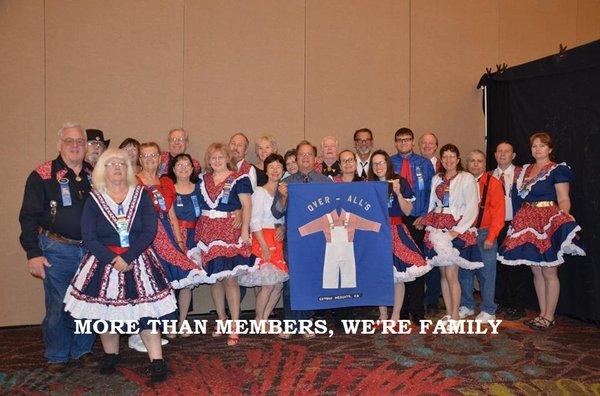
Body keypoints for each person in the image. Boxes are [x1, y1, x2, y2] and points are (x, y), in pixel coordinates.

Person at [63, 148, 177, 382]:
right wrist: (112, 259)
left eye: (121, 164)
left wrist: (129, 256)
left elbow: (149, 230)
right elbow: (89, 235)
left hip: (138, 259)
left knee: (148, 314)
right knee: (106, 312)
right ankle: (111, 355)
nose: (117, 168)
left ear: (128, 169)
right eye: (111, 164)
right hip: (104, 262)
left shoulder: (140, 194)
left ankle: (157, 360)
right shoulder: (95, 199)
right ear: (102, 170)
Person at [19, 122, 96, 372]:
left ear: (86, 146)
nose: (75, 146)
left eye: (80, 142)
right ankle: (57, 355)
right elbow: (28, 216)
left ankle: (83, 349)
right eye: (69, 141)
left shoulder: (94, 174)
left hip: (90, 252)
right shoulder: (42, 175)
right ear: (58, 145)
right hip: (55, 249)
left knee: (87, 303)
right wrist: (33, 253)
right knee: (58, 304)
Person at [498, 132, 585, 330]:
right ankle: (542, 314)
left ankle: (549, 315)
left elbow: (563, 198)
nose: (537, 149)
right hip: (527, 219)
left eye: (542, 146)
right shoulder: (526, 170)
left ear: (550, 149)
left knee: (549, 270)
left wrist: (563, 216)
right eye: (534, 146)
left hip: (546, 219)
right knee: (536, 270)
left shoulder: (557, 170)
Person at [187, 143, 255, 346]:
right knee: (214, 279)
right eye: (212, 158)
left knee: (230, 279)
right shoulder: (202, 180)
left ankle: (235, 323)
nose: (216, 161)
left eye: (220, 157)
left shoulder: (238, 179)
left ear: (227, 158)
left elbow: (247, 205)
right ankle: (221, 318)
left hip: (229, 231)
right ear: (208, 160)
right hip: (207, 232)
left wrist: (244, 230)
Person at [136, 142, 203, 346]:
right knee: (151, 281)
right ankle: (148, 330)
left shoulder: (165, 181)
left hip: (168, 232)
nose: (150, 159)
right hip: (147, 233)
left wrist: (180, 241)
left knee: (177, 276)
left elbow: (171, 213)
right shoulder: (135, 180)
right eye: (145, 156)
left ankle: (171, 325)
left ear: (159, 158)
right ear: (140, 159)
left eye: (153, 155)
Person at [271, 140, 332, 339]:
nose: (305, 158)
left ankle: (306, 323)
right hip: (294, 240)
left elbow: (332, 210)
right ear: (296, 158)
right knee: (292, 282)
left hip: (317, 239)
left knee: (312, 280)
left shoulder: (325, 182)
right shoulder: (287, 183)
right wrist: (282, 198)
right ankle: (290, 323)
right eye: (301, 155)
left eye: (309, 155)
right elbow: (276, 212)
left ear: (315, 159)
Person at [418, 144, 482, 327]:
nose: (448, 160)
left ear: (458, 159)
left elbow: (472, 207)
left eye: (451, 157)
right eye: (444, 157)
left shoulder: (466, 178)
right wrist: (426, 221)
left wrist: (457, 231)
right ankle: (448, 312)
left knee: (452, 274)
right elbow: (432, 203)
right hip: (437, 226)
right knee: (443, 274)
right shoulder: (437, 178)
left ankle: (455, 315)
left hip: (455, 226)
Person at [368, 150, 430, 327]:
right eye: (375, 164)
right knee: (380, 274)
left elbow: (408, 211)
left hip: (396, 229)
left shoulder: (399, 181)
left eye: (382, 163)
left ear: (388, 164)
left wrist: (398, 193)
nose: (379, 167)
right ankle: (382, 315)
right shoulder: (368, 185)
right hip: (376, 232)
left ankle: (395, 315)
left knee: (398, 275)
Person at [389, 128, 435, 324]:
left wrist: (426, 216)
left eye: (407, 139)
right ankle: (402, 309)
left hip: (418, 219)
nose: (403, 143)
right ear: (395, 142)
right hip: (397, 220)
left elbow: (433, 192)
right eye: (399, 140)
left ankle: (417, 311)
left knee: (416, 266)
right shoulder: (390, 162)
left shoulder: (424, 163)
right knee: (399, 266)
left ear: (413, 141)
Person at [238, 154, 289, 325]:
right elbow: (255, 221)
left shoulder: (284, 192)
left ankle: (265, 318)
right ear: (266, 170)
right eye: (271, 166)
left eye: (278, 167)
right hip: (263, 238)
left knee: (278, 285)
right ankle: (258, 319)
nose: (275, 170)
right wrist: (263, 245)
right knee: (268, 284)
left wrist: (283, 227)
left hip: (278, 239)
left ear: (283, 170)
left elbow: (283, 217)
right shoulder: (259, 192)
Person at [458, 150, 505, 322]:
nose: (475, 164)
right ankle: (467, 305)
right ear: (466, 163)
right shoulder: (461, 181)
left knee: (486, 274)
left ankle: (489, 310)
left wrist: (491, 236)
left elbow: (499, 213)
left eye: (479, 161)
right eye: (472, 160)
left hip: (485, 233)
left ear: (485, 164)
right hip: (465, 233)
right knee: (464, 272)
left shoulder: (493, 183)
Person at [492, 141, 529, 320]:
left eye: (507, 151)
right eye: (499, 151)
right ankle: (501, 301)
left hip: (516, 225)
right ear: (495, 155)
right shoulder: (490, 175)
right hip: (496, 226)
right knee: (497, 265)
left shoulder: (523, 174)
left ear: (513, 155)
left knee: (516, 266)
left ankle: (518, 304)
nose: (503, 154)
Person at [169, 153, 203, 337]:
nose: (183, 168)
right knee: (173, 281)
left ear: (192, 168)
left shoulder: (199, 189)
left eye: (187, 164)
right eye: (179, 165)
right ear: (173, 169)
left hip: (195, 237)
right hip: (174, 237)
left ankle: (182, 323)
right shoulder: (169, 189)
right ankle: (169, 323)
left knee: (187, 283)